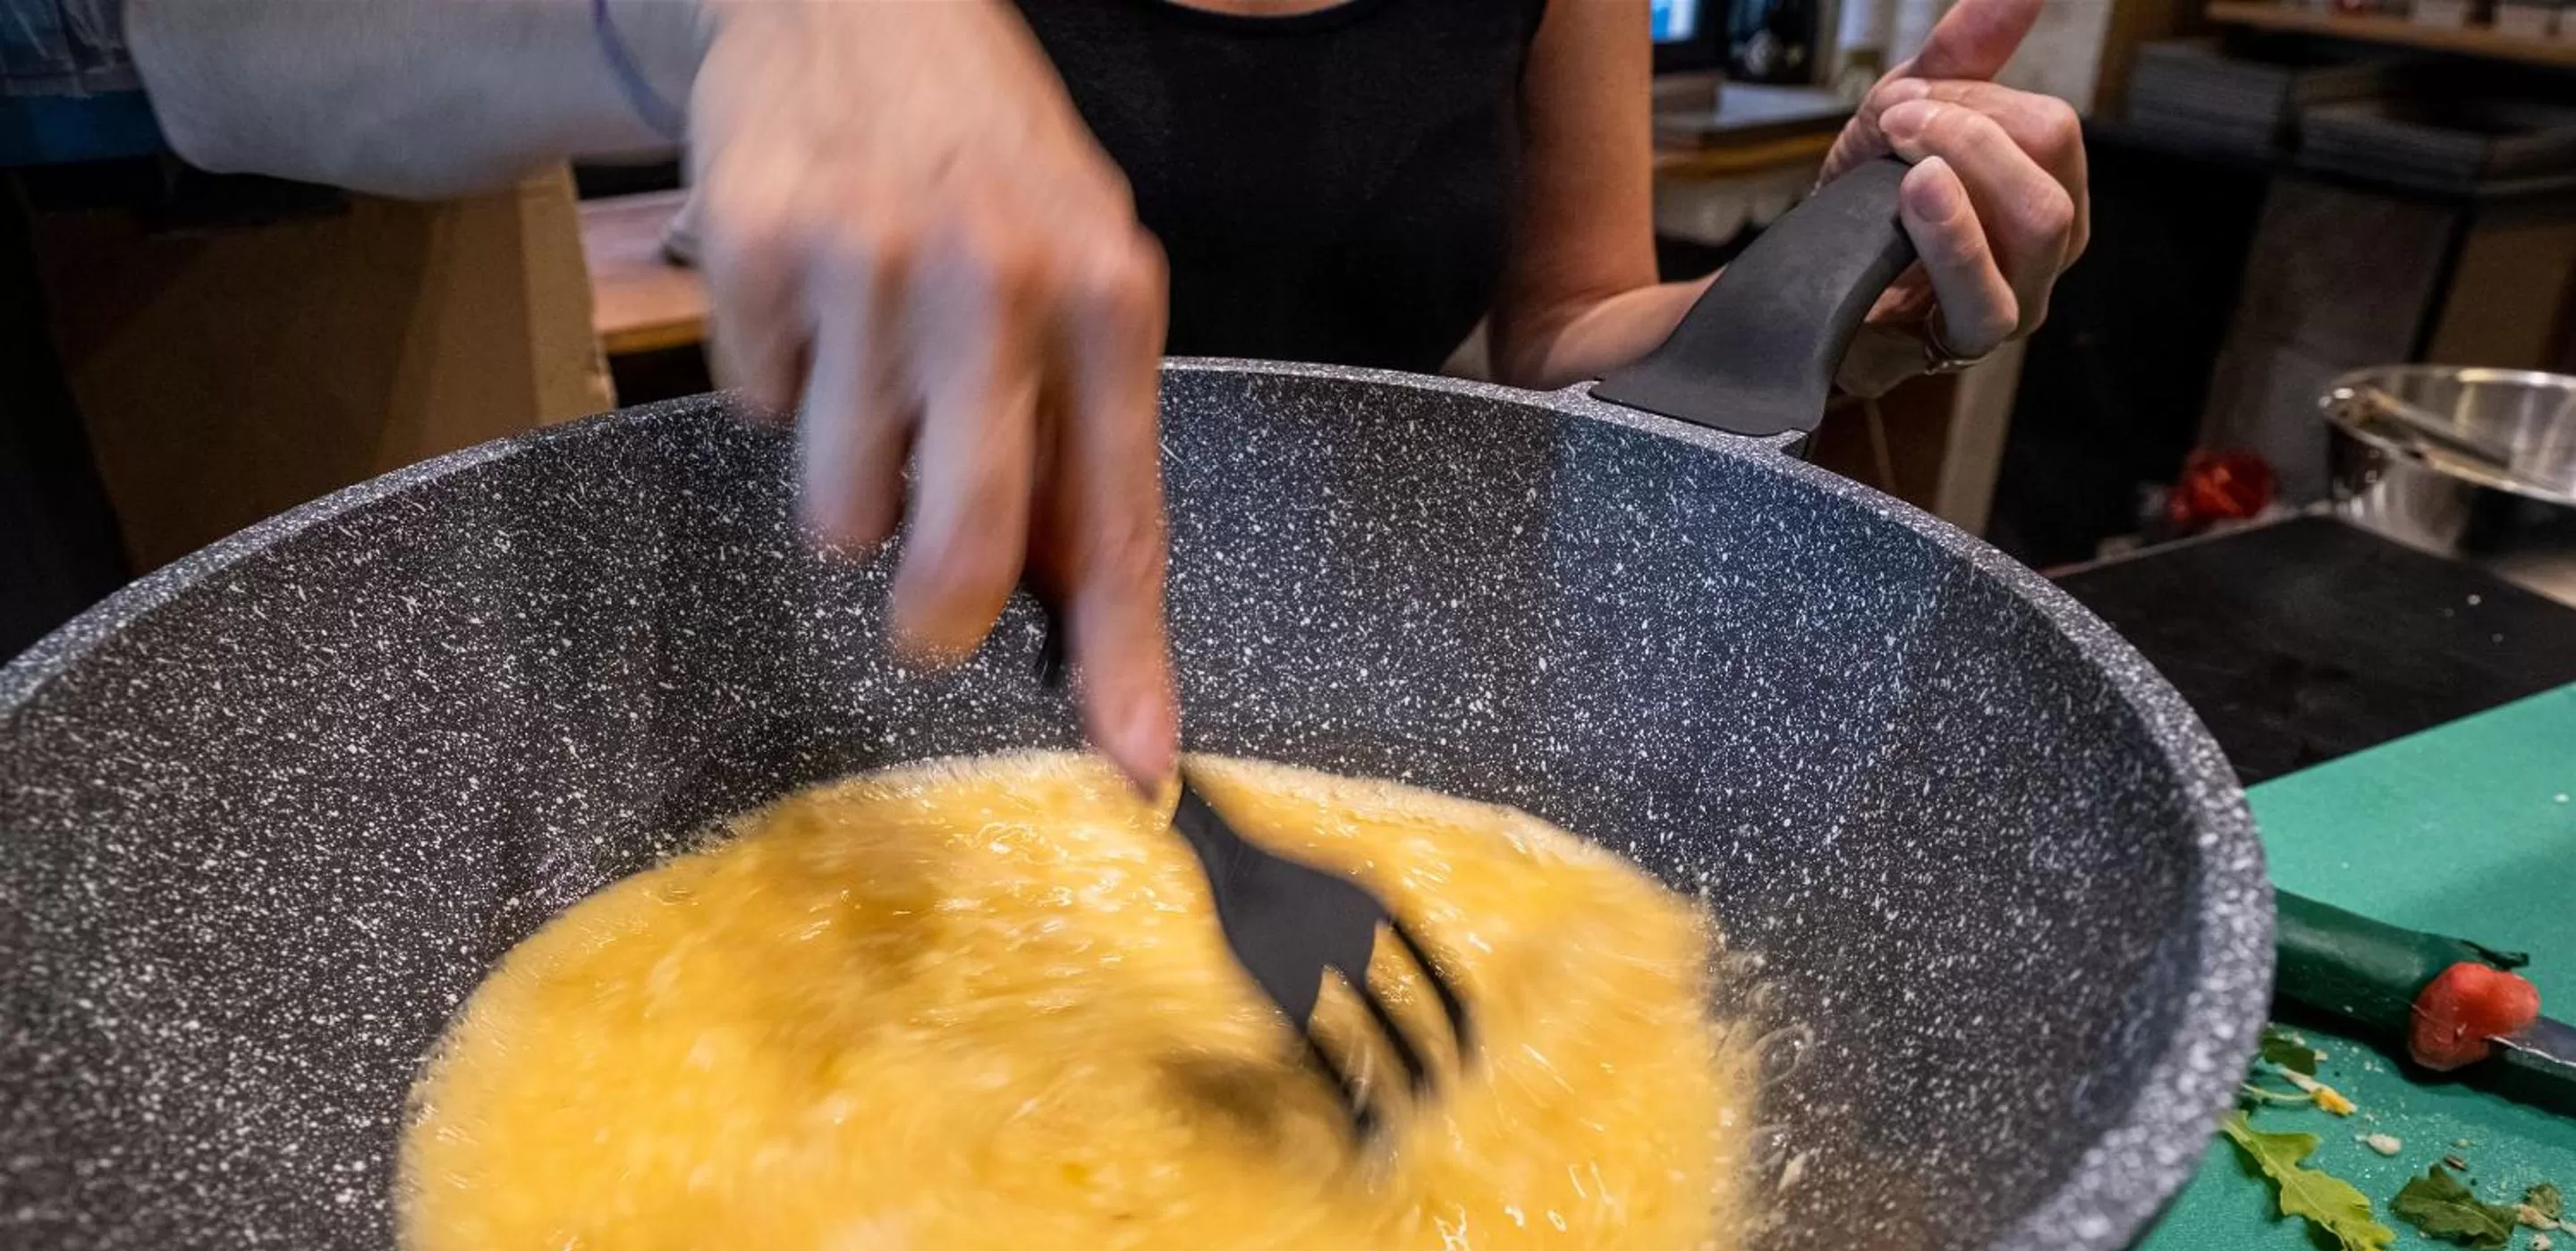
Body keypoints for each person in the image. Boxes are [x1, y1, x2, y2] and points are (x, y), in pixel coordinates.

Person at [63, 0, 2081, 786]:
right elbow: (209, 52)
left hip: (1351, 724)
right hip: (860, 690)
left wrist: (1816, 283)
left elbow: (1566, 333)